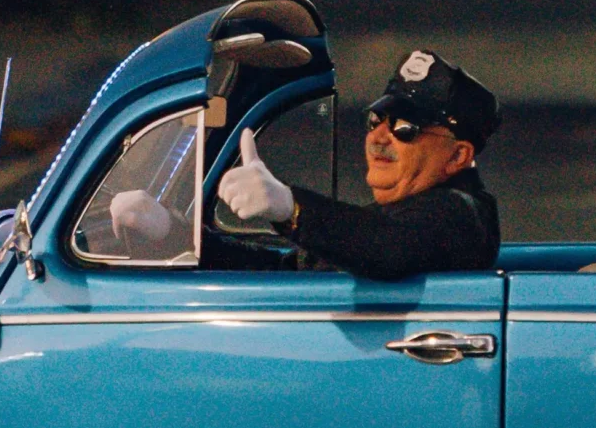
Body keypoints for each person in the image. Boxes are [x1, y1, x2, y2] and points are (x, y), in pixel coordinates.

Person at [215, 50, 502, 281]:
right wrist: (191, 241)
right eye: (376, 120)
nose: (377, 137)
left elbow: (386, 248)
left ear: (457, 157)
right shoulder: (401, 215)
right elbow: (294, 271)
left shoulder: (458, 215)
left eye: (404, 128)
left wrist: (292, 207)